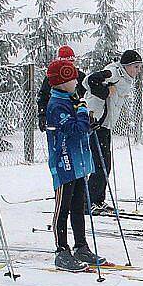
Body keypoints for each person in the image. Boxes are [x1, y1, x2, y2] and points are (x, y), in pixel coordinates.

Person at [45, 57, 105, 272]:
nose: (77, 83)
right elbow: (73, 128)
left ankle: (81, 246)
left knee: (79, 206)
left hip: (79, 162)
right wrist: (82, 114)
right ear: (61, 82)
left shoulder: (71, 99)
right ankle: (61, 250)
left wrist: (90, 122)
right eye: (72, 79)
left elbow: (82, 127)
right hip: (64, 164)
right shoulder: (57, 105)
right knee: (63, 207)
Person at [82, 49, 142, 214]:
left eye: (139, 67)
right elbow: (89, 81)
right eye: (135, 67)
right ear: (126, 65)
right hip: (96, 122)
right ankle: (88, 202)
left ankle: (98, 200)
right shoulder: (113, 72)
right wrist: (106, 91)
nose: (137, 71)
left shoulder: (125, 78)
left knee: (104, 164)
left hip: (105, 124)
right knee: (100, 164)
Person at [36, 45, 87, 133]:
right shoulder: (52, 78)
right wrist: (42, 114)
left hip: (78, 115)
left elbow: (86, 96)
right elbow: (43, 96)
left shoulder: (80, 77)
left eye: (71, 62)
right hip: (60, 116)